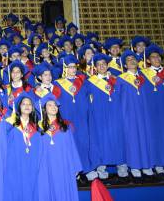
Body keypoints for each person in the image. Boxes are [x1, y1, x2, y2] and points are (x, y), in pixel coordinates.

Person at [86, 53, 128, 183]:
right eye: (99, 65)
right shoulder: (90, 82)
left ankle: (122, 168)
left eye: (104, 64)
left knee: (118, 139)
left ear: (107, 65)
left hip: (116, 115)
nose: (102, 66)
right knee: (101, 141)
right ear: (95, 67)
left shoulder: (117, 80)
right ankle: (101, 168)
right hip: (99, 116)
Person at [115, 50, 154, 182]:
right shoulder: (121, 79)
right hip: (129, 115)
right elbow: (117, 100)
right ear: (125, 65)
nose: (132, 61)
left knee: (145, 137)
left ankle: (147, 165)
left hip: (144, 115)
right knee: (132, 140)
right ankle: (135, 167)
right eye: (128, 60)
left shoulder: (144, 78)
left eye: (133, 59)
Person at [37, 93, 82, 201]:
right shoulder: (38, 128)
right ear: (44, 109)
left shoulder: (65, 127)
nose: (53, 107)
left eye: (55, 105)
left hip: (63, 165)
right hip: (46, 166)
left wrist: (75, 166)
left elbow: (72, 148)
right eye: (50, 105)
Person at [54, 55, 91, 182]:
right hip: (67, 118)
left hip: (81, 117)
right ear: (64, 69)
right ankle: (72, 171)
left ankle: (84, 170)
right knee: (71, 144)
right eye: (70, 67)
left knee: (83, 142)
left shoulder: (82, 81)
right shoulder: (58, 84)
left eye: (74, 67)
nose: (73, 69)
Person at [141, 44, 164, 178]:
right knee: (153, 138)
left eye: (158, 57)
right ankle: (156, 165)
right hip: (151, 112)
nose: (156, 59)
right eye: (153, 57)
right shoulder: (143, 75)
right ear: (148, 60)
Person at [4, 92, 40, 201]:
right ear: (19, 107)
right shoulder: (11, 125)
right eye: (24, 104)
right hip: (15, 164)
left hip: (32, 165)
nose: (27, 106)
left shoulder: (37, 127)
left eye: (29, 104)